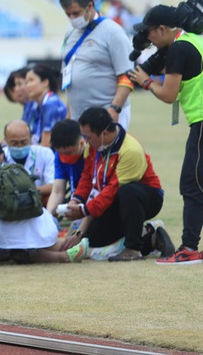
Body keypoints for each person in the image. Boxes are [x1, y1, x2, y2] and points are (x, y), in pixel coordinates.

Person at [129, 4, 203, 264]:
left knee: (193, 186)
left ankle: (188, 248)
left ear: (162, 29)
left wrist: (146, 82)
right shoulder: (198, 42)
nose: (150, 40)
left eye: (150, 33)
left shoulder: (177, 49)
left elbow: (169, 95)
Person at [60, 107, 171, 262]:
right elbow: (86, 179)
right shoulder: (93, 147)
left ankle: (133, 248)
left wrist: (84, 210)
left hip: (146, 198)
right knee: (93, 239)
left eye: (89, 137)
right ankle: (150, 236)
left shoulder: (130, 150)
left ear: (104, 134)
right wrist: (76, 201)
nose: (85, 141)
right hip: (113, 200)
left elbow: (112, 190)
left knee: (127, 191)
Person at [0, 137, 89, 264]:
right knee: (29, 246)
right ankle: (66, 253)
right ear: (2, 156)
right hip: (39, 227)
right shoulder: (19, 169)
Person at [58, 0, 134, 129]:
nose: (73, 19)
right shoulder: (70, 33)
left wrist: (115, 108)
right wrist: (69, 114)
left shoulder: (113, 32)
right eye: (68, 15)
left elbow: (127, 76)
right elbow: (70, 77)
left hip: (106, 114)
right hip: (77, 117)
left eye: (76, 13)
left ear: (90, 6)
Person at [2, 119, 54, 204]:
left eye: (23, 142)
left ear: (30, 138)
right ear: (6, 140)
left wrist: (27, 193)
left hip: (38, 200)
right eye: (14, 143)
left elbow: (53, 185)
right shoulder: (1, 157)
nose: (19, 146)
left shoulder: (45, 153)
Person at [44, 119, 86, 217]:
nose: (65, 156)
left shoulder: (92, 154)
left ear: (81, 143)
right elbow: (57, 191)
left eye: (68, 153)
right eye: (61, 152)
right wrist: (48, 216)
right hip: (76, 201)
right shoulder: (59, 156)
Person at [22, 63, 67, 146]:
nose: (27, 86)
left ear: (45, 82)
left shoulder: (50, 104)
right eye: (26, 82)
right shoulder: (37, 105)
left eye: (31, 80)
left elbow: (46, 145)